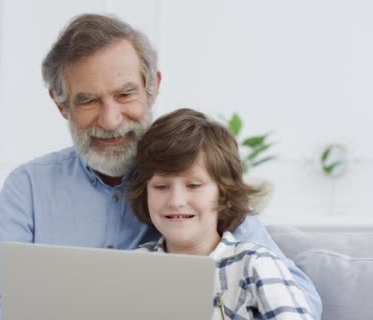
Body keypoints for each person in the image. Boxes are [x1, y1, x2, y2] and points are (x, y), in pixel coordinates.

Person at [0, 13, 322, 319]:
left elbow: (297, 295)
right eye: (87, 101)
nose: (111, 120)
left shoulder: (198, 181)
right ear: (61, 105)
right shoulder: (29, 186)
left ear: (152, 86)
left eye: (125, 94)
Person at [128, 108, 314, 319]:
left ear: (224, 194)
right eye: (161, 187)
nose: (176, 201)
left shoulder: (255, 264)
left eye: (194, 185)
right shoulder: (131, 267)